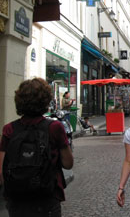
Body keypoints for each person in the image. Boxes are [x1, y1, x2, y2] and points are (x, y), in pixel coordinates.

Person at [0, 78, 73, 217]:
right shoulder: (54, 127)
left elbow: (1, 171)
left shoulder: (9, 129)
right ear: (46, 101)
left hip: (17, 200)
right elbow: (68, 164)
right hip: (47, 198)